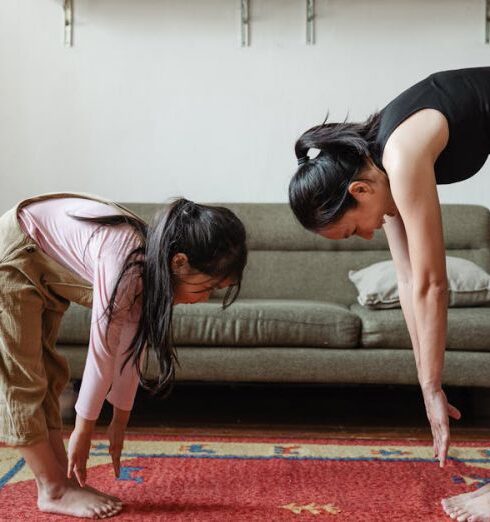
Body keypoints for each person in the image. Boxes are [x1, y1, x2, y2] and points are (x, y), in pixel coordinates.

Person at [288, 67, 490, 522]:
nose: (365, 236)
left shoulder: (399, 156)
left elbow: (432, 283)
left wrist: (434, 385)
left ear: (359, 191)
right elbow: (407, 278)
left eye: (353, 229)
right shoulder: (382, 170)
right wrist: (425, 384)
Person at [0, 192, 247, 519]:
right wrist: (83, 429)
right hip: (15, 256)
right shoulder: (126, 262)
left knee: (48, 374)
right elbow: (102, 350)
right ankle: (53, 489)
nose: (204, 299)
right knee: (23, 380)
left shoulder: (152, 270)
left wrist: (119, 421)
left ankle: (62, 483)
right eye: (207, 287)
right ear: (180, 262)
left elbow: (130, 350)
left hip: (44, 267)